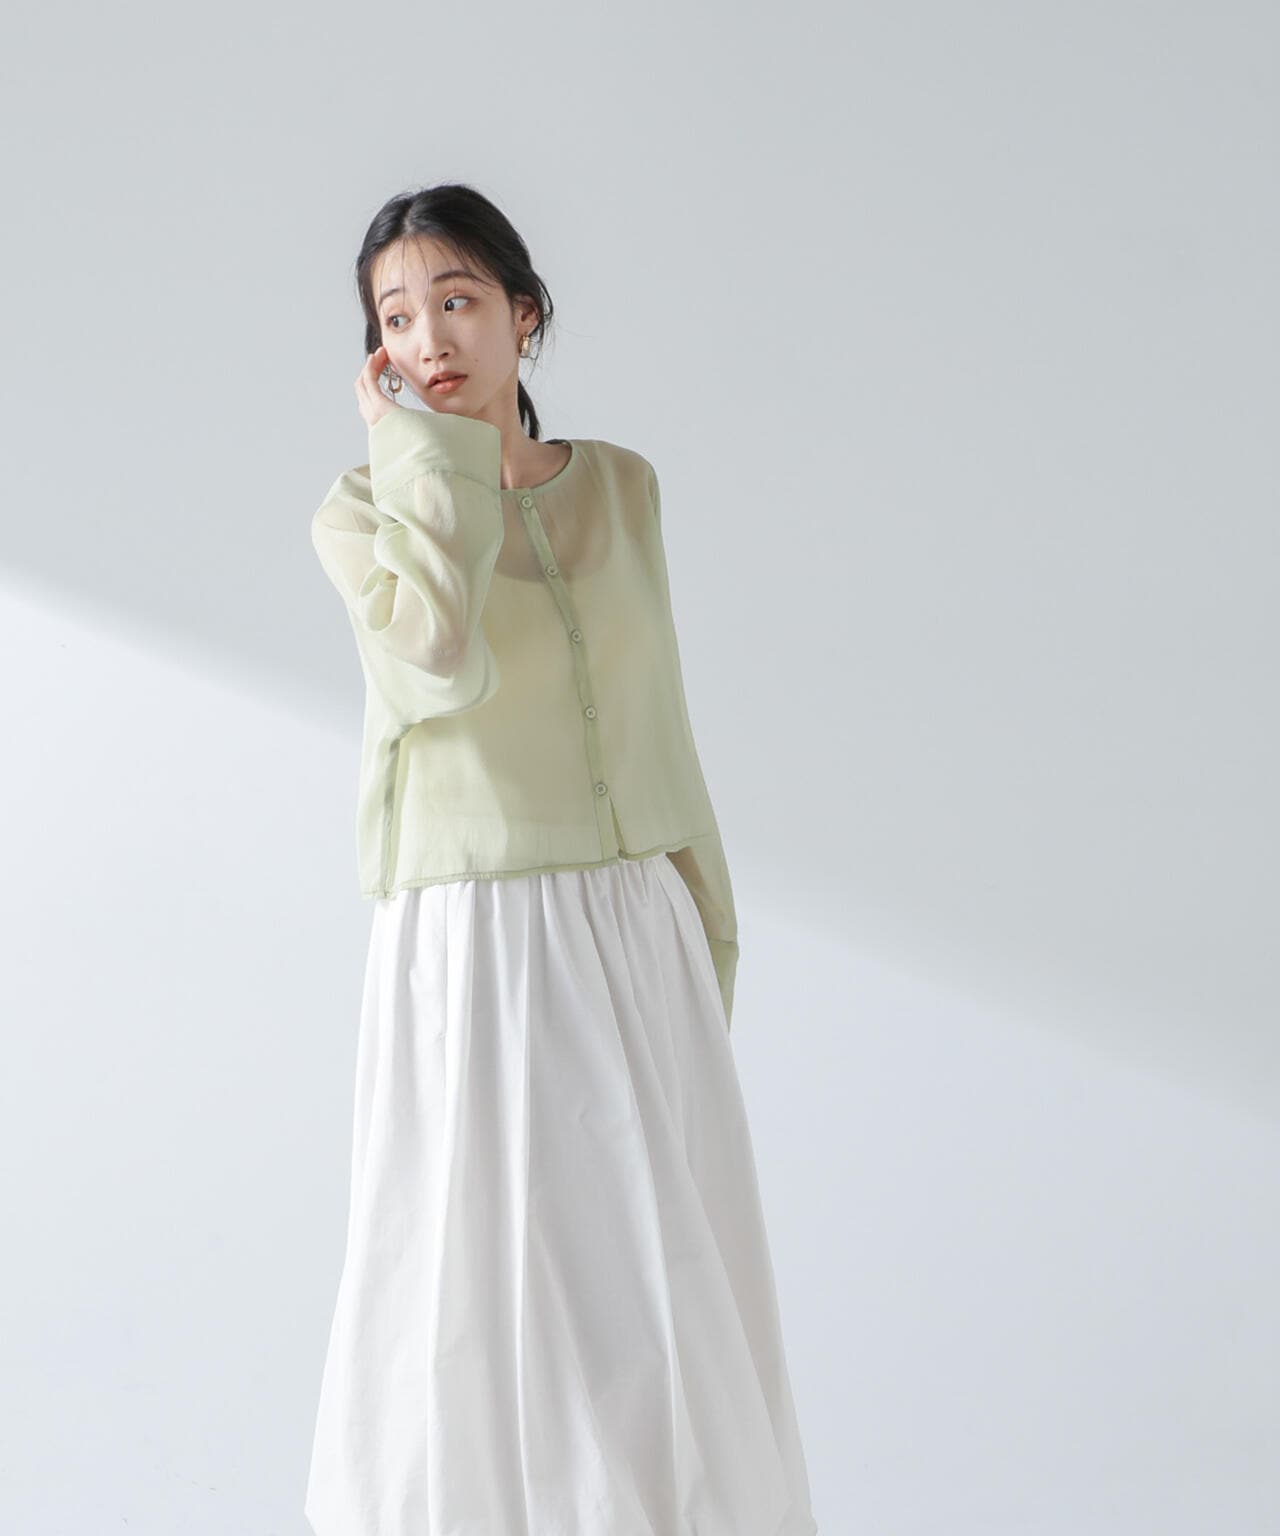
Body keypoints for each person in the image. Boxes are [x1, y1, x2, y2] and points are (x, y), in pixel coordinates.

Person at [304, 181, 818, 1536]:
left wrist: (706, 921)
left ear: (526, 316)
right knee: (490, 1282)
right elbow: (433, 656)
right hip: (478, 935)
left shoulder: (625, 489)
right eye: (395, 318)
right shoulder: (362, 512)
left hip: (635, 923)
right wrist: (424, 460)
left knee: (658, 1282)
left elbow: (662, 720)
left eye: (458, 301)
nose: (430, 338)